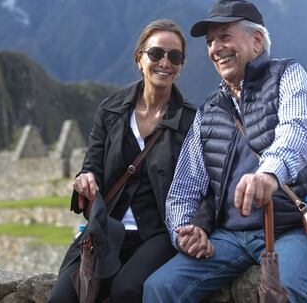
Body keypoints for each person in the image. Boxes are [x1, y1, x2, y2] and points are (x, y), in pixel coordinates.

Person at [143, 0, 307, 303]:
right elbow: (185, 188)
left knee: (283, 290)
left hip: (296, 228)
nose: (214, 48)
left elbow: (297, 132)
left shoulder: (289, 76)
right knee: (159, 288)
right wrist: (185, 230)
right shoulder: (208, 112)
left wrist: (268, 174)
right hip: (231, 237)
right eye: (211, 41)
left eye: (225, 37)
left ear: (256, 41)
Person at [48, 19, 196, 303]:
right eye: (156, 54)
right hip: (107, 227)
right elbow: (91, 165)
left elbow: (200, 184)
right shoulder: (111, 109)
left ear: (180, 65)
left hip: (157, 232)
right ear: (139, 58)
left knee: (126, 290)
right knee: (63, 296)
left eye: (174, 56)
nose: (165, 62)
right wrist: (85, 178)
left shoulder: (190, 120)